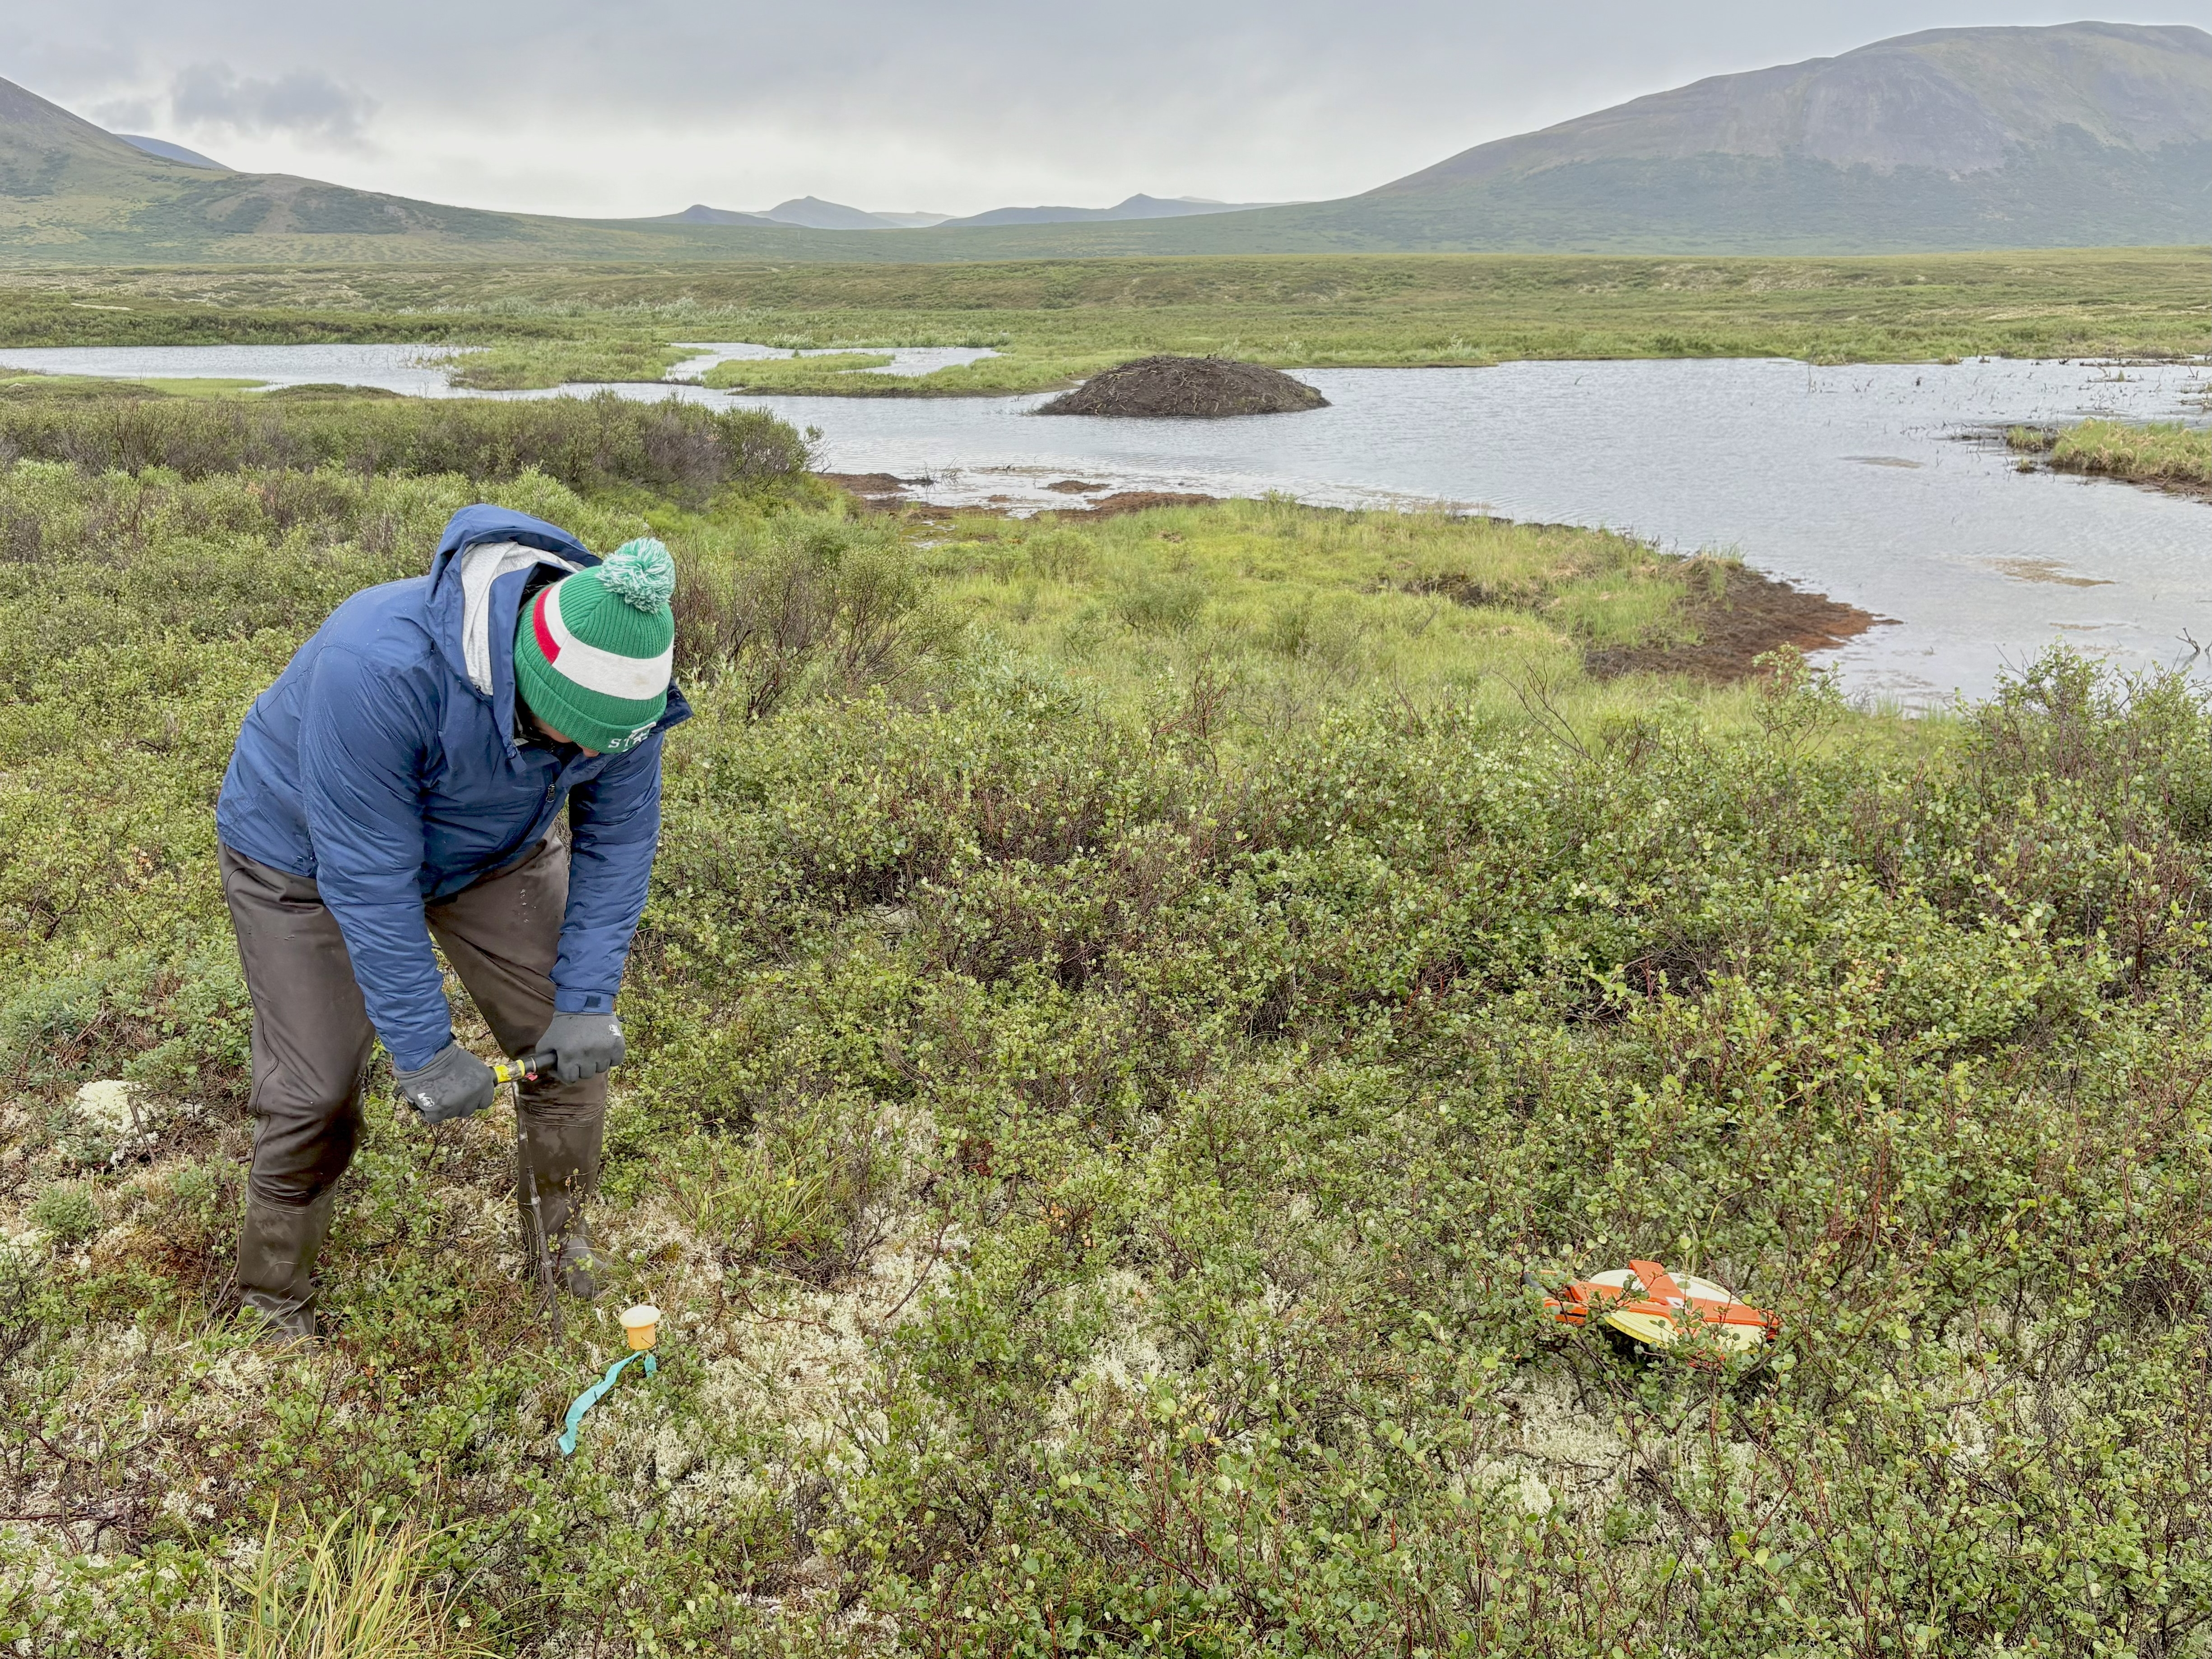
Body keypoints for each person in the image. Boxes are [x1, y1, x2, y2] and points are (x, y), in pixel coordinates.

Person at [213, 505, 689, 1338]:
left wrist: (588, 1000)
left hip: (492, 849)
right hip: (303, 857)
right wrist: (426, 1051)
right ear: (527, 681)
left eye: (606, 748)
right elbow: (368, 877)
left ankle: (560, 1249)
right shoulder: (380, 665)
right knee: (314, 1091)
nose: (588, 760)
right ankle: (270, 1296)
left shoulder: (623, 702)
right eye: (568, 740)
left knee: (567, 1052)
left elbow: (619, 843)